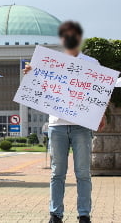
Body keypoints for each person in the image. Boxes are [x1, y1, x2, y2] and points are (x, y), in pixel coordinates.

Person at [24, 21, 106, 223]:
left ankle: (84, 214)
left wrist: (101, 114)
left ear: (79, 38)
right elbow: (40, 85)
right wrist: (31, 74)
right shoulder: (51, 63)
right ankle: (55, 214)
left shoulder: (91, 63)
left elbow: (100, 92)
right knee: (57, 173)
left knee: (83, 173)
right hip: (57, 125)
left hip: (82, 125)